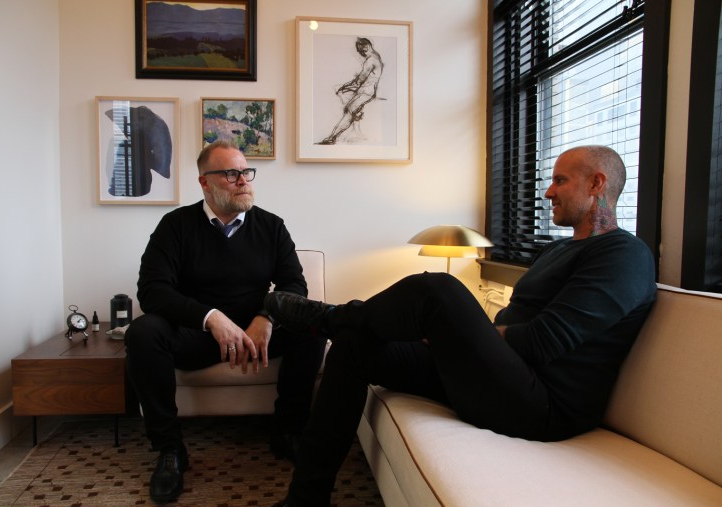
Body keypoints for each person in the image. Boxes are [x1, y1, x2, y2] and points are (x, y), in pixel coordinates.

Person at [265, 145, 657, 507]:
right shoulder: (557, 249)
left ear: (597, 183)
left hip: (542, 404)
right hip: (502, 380)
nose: (548, 193)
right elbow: (512, 328)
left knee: (439, 288)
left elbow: (542, 341)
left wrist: (452, 336)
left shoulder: (624, 255)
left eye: (560, 180)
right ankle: (306, 499)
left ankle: (329, 318)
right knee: (354, 346)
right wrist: (454, 340)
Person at [124, 140, 327, 504]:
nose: (243, 181)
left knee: (311, 325)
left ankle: (287, 431)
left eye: (246, 172)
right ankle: (170, 450)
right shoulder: (175, 226)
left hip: (256, 335)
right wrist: (211, 318)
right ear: (205, 182)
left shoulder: (271, 226)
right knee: (143, 332)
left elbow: (294, 284)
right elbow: (152, 291)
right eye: (231, 173)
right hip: (197, 336)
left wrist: (266, 316)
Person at [318, 37, 383, 145]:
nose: (361, 53)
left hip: (366, 92)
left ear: (367, 47)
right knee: (351, 109)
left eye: (362, 51)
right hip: (366, 91)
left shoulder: (371, 60)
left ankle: (332, 137)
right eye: (359, 51)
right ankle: (355, 127)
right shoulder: (376, 57)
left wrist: (347, 86)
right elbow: (361, 79)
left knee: (348, 111)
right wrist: (349, 85)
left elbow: (361, 79)